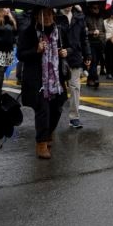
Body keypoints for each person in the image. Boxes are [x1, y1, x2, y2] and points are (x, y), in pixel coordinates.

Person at [17, 8, 70, 159]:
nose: (47, 17)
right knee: (43, 110)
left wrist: (66, 52)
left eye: (50, 14)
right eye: (44, 14)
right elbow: (21, 54)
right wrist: (36, 50)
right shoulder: (28, 31)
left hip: (56, 79)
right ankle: (41, 143)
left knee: (57, 109)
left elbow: (71, 47)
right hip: (37, 80)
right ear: (36, 16)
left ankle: (47, 133)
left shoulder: (59, 30)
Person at [56, 5, 91, 129]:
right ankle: (53, 115)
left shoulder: (79, 18)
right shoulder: (55, 17)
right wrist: (59, 50)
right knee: (58, 89)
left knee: (75, 87)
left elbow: (84, 38)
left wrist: (87, 55)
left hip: (75, 57)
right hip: (58, 59)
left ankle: (74, 117)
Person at [85, 4, 105, 88]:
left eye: (97, 8)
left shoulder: (101, 18)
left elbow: (103, 31)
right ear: (91, 9)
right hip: (91, 43)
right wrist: (92, 32)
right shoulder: (86, 18)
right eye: (94, 8)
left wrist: (103, 40)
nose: (96, 10)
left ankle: (90, 80)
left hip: (100, 43)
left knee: (96, 63)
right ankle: (95, 79)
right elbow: (84, 32)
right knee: (93, 61)